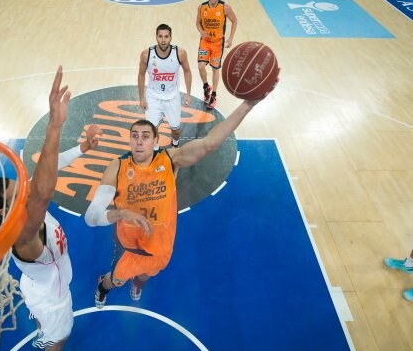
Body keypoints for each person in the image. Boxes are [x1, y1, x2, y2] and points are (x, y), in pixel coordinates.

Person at [85, 83, 277, 308]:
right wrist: (122, 213)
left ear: (156, 142)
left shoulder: (170, 160)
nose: (139, 141)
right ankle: (102, 286)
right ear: (129, 141)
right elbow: (91, 217)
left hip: (161, 245)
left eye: (145, 136)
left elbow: (209, 144)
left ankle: (138, 282)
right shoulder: (117, 167)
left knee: (148, 274)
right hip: (131, 246)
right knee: (116, 280)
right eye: (134, 136)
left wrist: (247, 105)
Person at [0, 66, 77, 351]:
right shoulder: (24, 234)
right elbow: (45, 190)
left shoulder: (11, 212)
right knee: (59, 336)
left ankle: (40, 331)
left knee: (41, 322)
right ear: (4, 210)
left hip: (33, 287)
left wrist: (82, 149)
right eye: (16, 192)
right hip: (53, 297)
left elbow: (45, 173)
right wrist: (55, 125)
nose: (24, 189)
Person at [138, 24, 192, 148]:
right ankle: (155, 151)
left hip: (172, 97)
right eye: (160, 36)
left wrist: (188, 94)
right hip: (153, 97)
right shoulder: (146, 55)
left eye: (166, 36)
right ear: (156, 37)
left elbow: (187, 71)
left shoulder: (180, 53)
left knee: (176, 131)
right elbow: (141, 75)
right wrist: (142, 97)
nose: (163, 40)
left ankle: (175, 143)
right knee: (152, 130)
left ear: (171, 38)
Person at [196, 0, 238, 110]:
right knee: (200, 66)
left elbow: (235, 21)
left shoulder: (225, 8)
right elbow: (197, 23)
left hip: (218, 44)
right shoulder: (202, 7)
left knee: (215, 69)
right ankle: (206, 86)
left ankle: (214, 95)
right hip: (205, 41)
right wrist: (201, 31)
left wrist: (230, 38)